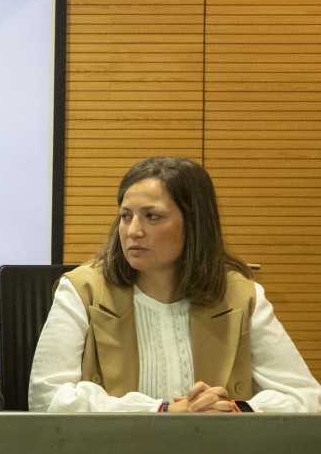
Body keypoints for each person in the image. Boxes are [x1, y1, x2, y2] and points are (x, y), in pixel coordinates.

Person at [30, 156, 320, 413]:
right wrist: (160, 411)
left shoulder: (241, 295)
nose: (133, 231)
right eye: (125, 216)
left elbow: (307, 398)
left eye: (152, 217)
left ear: (193, 224)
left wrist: (233, 409)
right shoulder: (83, 290)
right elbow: (46, 399)